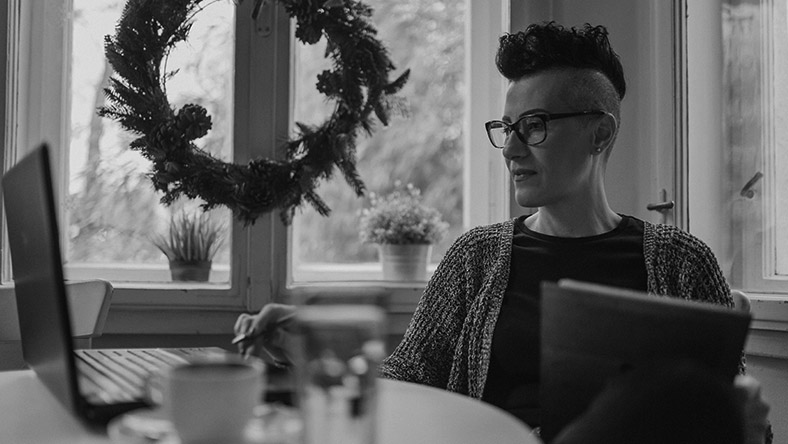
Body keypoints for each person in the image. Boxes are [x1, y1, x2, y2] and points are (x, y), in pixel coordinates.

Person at [235, 22, 772, 444]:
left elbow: (737, 419)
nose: (512, 148)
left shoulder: (681, 261)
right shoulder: (476, 257)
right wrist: (315, 343)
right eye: (507, 128)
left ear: (600, 132)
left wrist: (745, 426)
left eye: (534, 126)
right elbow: (404, 382)